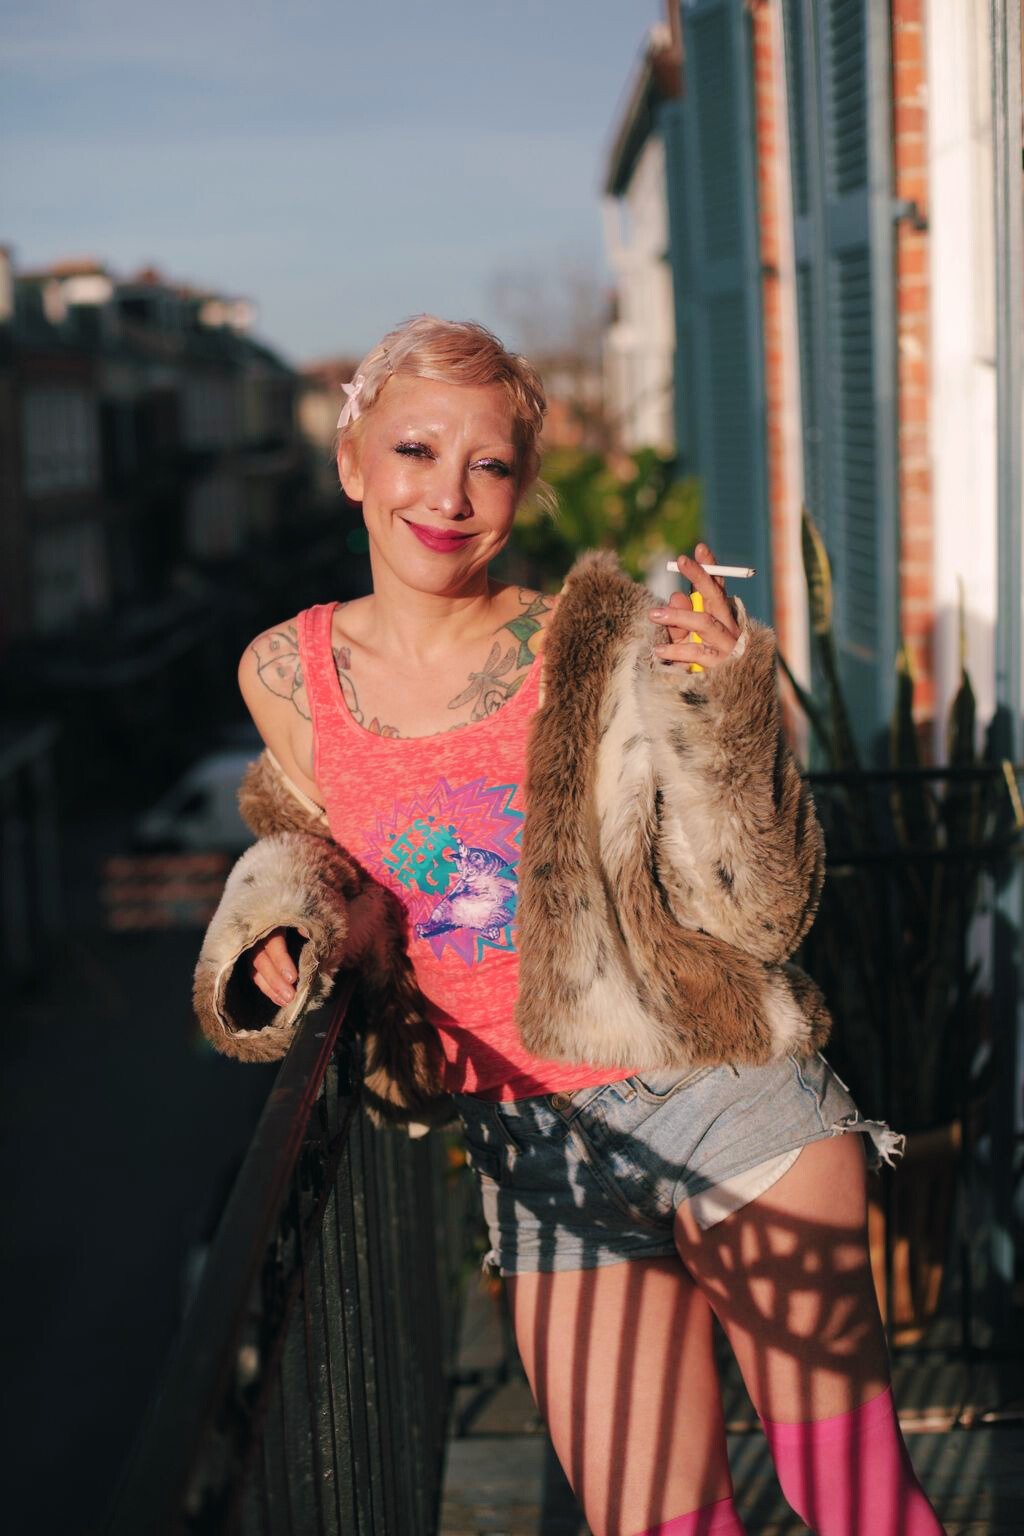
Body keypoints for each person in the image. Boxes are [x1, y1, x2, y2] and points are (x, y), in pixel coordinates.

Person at [196, 316, 944, 1536]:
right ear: (351, 463)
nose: (447, 493)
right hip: (535, 1157)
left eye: (488, 464)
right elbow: (316, 843)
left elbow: (762, 905)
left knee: (853, 1504)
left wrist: (724, 705)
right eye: (415, 451)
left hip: (722, 1098)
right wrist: (283, 927)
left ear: (521, 489)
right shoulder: (283, 671)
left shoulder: (597, 644)